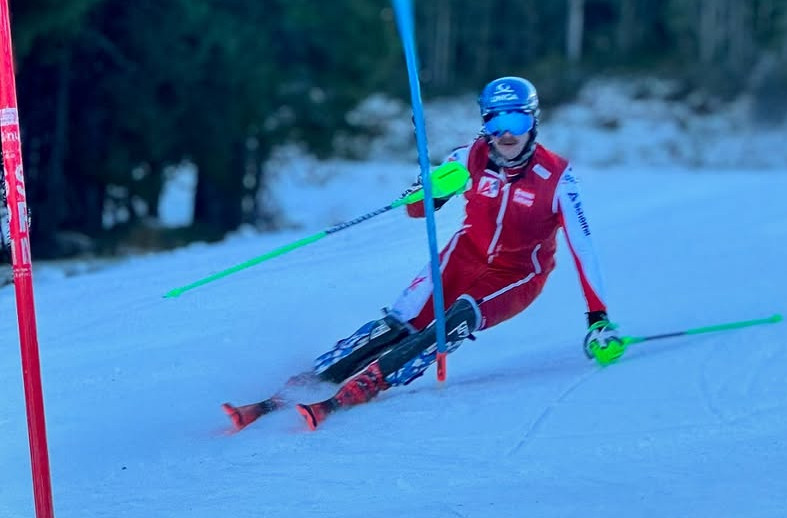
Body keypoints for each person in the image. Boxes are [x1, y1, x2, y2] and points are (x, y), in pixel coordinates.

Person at [224, 76, 624, 431]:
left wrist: (597, 318)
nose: (505, 133)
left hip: (517, 274)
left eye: (516, 121)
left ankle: (368, 384)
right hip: (463, 256)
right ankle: (311, 381)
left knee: (456, 318)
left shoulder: (557, 177)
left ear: (533, 121)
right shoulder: (469, 157)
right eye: (494, 121)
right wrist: (427, 189)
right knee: (401, 320)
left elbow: (583, 246)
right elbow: (417, 211)